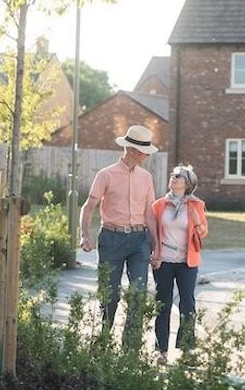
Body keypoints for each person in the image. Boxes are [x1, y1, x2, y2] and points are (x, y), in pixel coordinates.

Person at [79, 125, 160, 345]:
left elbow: (149, 214)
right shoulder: (106, 175)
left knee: (137, 294)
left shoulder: (146, 178)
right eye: (144, 152)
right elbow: (88, 207)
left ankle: (130, 349)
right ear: (132, 150)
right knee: (109, 294)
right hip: (111, 239)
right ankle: (103, 340)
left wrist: (157, 246)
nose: (146, 156)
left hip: (139, 240)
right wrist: (84, 235)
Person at [150, 165, 208, 365]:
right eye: (172, 175)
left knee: (187, 304)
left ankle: (187, 351)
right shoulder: (159, 205)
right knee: (162, 304)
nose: (173, 178)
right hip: (164, 261)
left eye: (178, 176)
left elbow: (203, 233)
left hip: (187, 263)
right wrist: (153, 254)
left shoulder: (196, 205)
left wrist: (197, 221)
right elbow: (151, 233)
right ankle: (161, 351)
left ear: (187, 183)